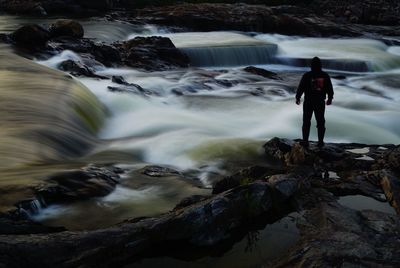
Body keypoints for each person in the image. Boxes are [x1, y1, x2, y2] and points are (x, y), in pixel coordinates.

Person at [296, 57, 334, 147]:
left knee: (306, 122)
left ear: (311, 66)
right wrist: (330, 98)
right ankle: (320, 142)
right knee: (320, 122)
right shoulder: (325, 75)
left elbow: (301, 87)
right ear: (320, 65)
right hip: (320, 102)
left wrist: (298, 97)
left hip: (308, 102)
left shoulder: (307, 75)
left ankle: (305, 141)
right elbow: (329, 88)